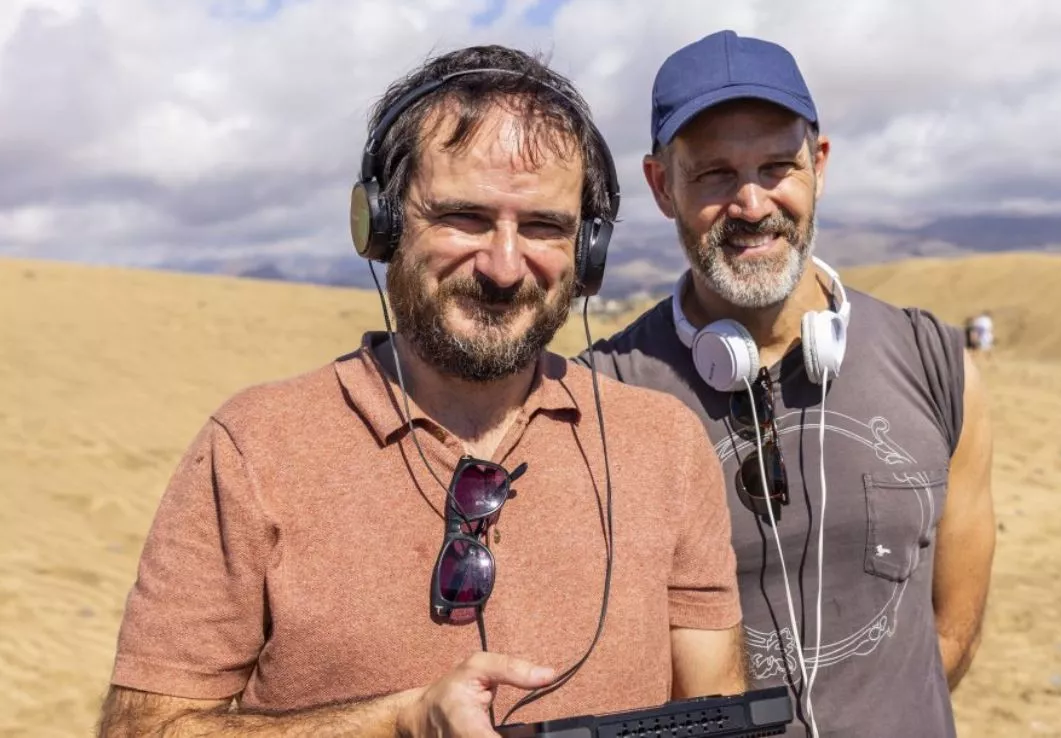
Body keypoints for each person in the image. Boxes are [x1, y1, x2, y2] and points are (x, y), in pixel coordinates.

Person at [97, 45, 747, 738]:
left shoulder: (663, 444)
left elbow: (717, 715)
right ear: (379, 226)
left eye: (543, 226)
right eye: (463, 218)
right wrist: (395, 724)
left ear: (588, 253)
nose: (503, 266)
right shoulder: (252, 448)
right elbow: (142, 729)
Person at [577, 31, 996, 738]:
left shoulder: (939, 364)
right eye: (713, 174)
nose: (751, 203)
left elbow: (952, 632)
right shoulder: (601, 396)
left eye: (777, 166)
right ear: (660, 185)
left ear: (820, 165)